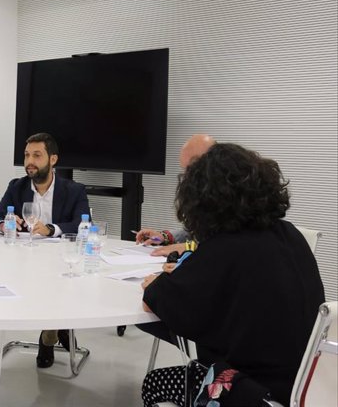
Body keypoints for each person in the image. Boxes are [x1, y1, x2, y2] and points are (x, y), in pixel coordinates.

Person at [140, 143, 325, 406]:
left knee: (154, 383)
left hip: (255, 391)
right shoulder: (290, 235)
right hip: (309, 383)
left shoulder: (224, 247)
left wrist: (156, 283)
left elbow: (161, 299)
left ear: (201, 198)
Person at [0, 132, 90, 368]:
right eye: (26, 155)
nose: (29, 162)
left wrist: (51, 229)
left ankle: (48, 336)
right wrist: (5, 224)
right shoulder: (17, 186)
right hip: (23, 258)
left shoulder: (74, 190)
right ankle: (57, 327)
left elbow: (83, 223)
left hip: (59, 259)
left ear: (53, 159)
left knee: (55, 283)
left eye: (36, 155)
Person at [134, 134, 216, 257]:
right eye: (185, 170)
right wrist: (166, 237)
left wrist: (189, 247)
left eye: (191, 170)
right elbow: (199, 233)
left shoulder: (231, 196)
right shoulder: (204, 192)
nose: (187, 177)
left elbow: (230, 246)